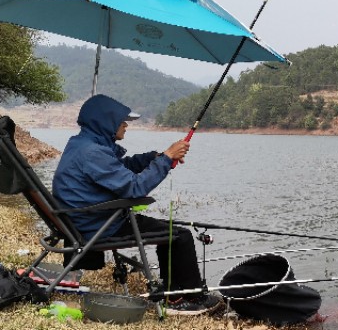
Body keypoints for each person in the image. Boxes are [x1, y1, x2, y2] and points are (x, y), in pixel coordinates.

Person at [52, 94, 219, 315]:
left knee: (171, 232)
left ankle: (176, 293)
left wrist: (154, 157)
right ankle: (184, 299)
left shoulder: (82, 144)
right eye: (122, 122)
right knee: (179, 236)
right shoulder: (93, 152)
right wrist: (167, 158)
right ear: (106, 122)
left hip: (86, 220)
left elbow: (118, 168)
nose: (126, 126)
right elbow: (135, 188)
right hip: (100, 226)